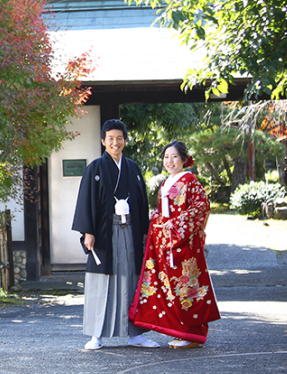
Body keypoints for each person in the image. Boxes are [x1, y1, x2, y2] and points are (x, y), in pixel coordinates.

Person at [72, 119, 159, 350]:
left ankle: (136, 334)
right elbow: (85, 202)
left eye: (119, 138)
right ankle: (96, 335)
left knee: (133, 278)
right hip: (104, 233)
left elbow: (142, 202)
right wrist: (88, 232)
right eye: (110, 138)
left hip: (130, 230)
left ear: (125, 141)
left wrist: (143, 232)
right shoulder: (95, 169)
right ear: (103, 141)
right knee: (102, 281)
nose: (115, 142)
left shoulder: (133, 168)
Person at [129, 141, 221, 348]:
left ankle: (192, 333)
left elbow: (201, 206)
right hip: (168, 243)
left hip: (185, 245)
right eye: (166, 157)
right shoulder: (166, 183)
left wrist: (177, 223)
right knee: (171, 287)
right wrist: (157, 218)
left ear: (184, 159)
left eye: (174, 157)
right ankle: (181, 331)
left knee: (186, 286)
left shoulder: (190, 180)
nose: (169, 161)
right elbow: (166, 211)